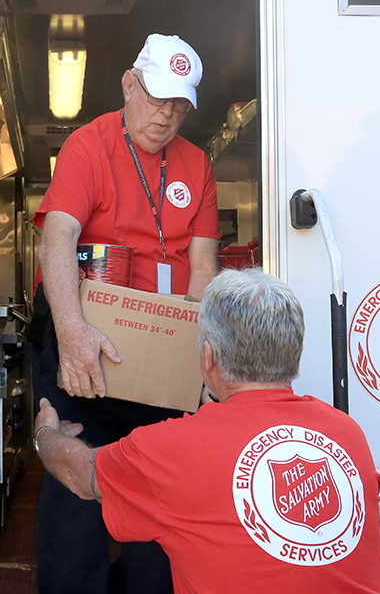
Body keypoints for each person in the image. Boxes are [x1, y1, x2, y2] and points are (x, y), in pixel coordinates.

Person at [33, 269, 380, 594]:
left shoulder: (175, 447)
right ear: (293, 352)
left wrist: (47, 433)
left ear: (208, 356)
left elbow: (79, 472)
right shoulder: (346, 432)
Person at [31, 33, 221, 594]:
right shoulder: (88, 145)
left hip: (162, 347)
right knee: (75, 486)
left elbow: (203, 269)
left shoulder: (197, 165)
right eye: (158, 97)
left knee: (160, 494)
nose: (166, 115)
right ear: (129, 85)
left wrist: (200, 360)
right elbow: (57, 238)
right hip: (86, 339)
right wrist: (71, 333)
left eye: (180, 104)